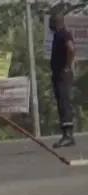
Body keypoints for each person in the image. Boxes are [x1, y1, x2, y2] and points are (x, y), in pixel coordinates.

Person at [49, 12, 76, 148]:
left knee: (65, 103)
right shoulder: (57, 35)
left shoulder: (63, 33)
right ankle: (66, 134)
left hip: (63, 74)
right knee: (61, 102)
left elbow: (71, 48)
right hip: (58, 74)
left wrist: (67, 65)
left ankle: (68, 135)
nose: (48, 24)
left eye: (50, 21)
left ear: (55, 22)